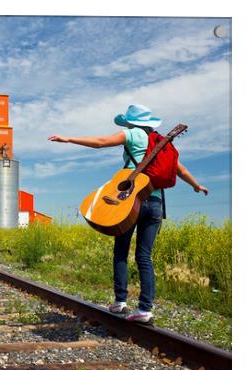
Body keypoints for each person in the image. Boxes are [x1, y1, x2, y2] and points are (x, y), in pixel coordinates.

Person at [47, 104, 209, 323]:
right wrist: (196, 186)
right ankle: (145, 309)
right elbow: (181, 170)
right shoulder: (163, 143)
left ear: (132, 122)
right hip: (155, 203)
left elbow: (101, 143)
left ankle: (120, 301)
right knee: (144, 256)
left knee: (121, 250)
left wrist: (68, 138)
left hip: (130, 202)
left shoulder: (132, 134)